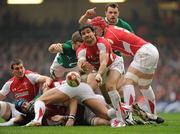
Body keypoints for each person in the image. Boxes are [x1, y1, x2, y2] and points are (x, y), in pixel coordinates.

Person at [89, 17, 160, 119]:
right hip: (151, 50)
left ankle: (128, 115)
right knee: (145, 86)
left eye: (95, 29)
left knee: (127, 82)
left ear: (101, 27)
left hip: (144, 53)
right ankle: (153, 116)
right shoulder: (110, 28)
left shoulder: (108, 36)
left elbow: (105, 46)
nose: (94, 33)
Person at [24, 71, 122, 127]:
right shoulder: (50, 115)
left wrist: (70, 118)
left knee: (105, 115)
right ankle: (125, 113)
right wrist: (64, 118)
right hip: (86, 112)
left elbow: (73, 97)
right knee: (106, 119)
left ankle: (125, 110)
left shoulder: (54, 92)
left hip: (86, 105)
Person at [76, 24, 126, 127]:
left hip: (113, 63)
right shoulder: (81, 50)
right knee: (91, 91)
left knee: (110, 86)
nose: (86, 35)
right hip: (96, 68)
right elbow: (81, 63)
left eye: (88, 32)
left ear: (93, 32)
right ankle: (126, 112)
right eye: (83, 34)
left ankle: (120, 119)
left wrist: (99, 74)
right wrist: (83, 67)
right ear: (82, 37)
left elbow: (104, 62)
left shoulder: (102, 43)